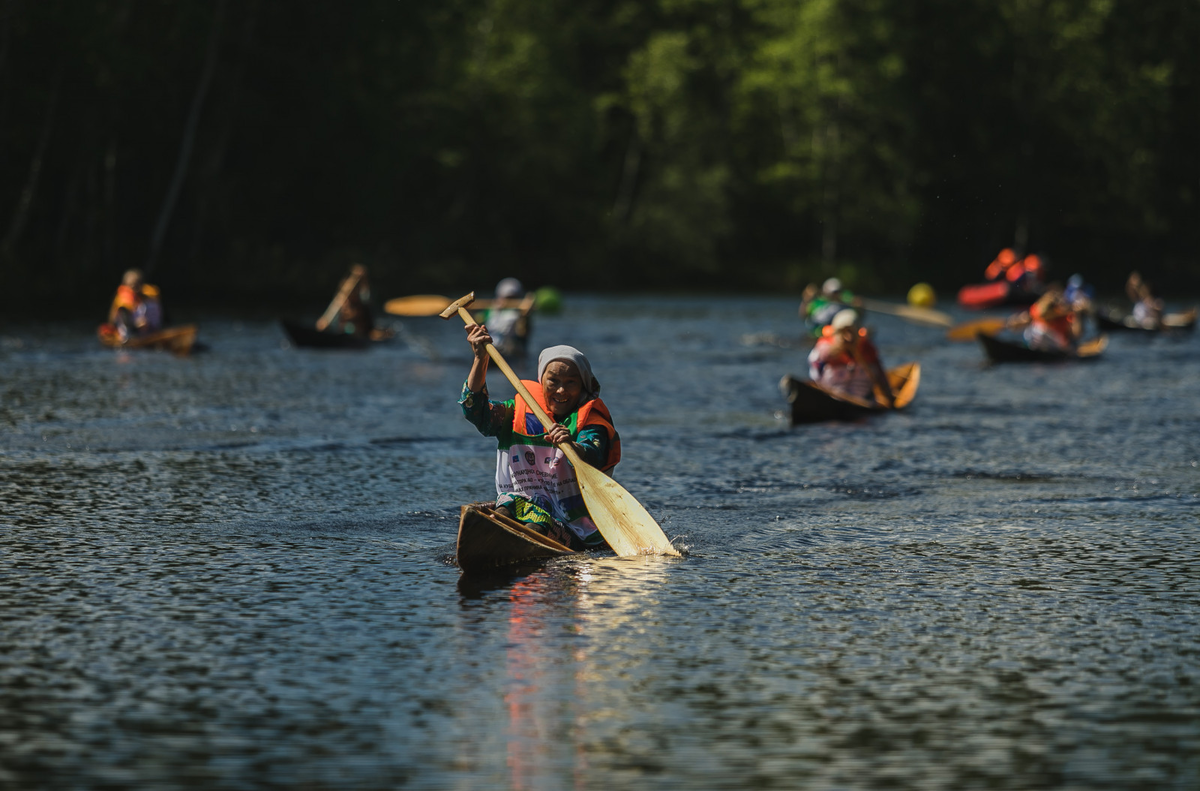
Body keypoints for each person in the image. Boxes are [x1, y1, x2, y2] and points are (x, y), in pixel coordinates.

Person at [459, 325, 618, 550]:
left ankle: (514, 544)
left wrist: (573, 446)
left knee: (536, 525)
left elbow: (595, 453)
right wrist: (480, 358)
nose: (561, 391)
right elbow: (476, 411)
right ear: (542, 381)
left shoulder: (591, 423)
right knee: (506, 510)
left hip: (571, 524)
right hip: (519, 504)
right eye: (553, 381)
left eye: (570, 382)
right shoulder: (515, 413)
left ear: (582, 385)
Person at [806, 309, 894, 406]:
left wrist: (856, 352)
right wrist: (836, 350)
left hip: (861, 400)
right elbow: (815, 373)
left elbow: (880, 377)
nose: (849, 337)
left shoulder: (867, 348)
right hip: (832, 396)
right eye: (844, 333)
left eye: (852, 332)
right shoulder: (824, 347)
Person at [319, 264, 384, 339]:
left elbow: (366, 296)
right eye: (344, 293)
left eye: (350, 293)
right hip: (342, 336)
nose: (346, 299)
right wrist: (323, 324)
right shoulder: (339, 304)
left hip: (360, 336)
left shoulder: (362, 304)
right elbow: (324, 323)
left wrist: (364, 279)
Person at [1010, 286, 1081, 351]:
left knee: (1039, 331)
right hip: (1037, 343)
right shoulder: (1037, 310)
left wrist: (1077, 315)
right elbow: (1014, 326)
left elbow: (1076, 335)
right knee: (1036, 329)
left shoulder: (1067, 315)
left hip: (1058, 346)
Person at [480, 277, 533, 357]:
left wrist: (525, 317)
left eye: (513, 298)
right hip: (491, 349)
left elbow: (522, 332)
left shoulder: (521, 314)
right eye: (507, 297)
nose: (510, 301)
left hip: (509, 352)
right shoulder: (490, 311)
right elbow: (477, 322)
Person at [107, 268, 163, 341]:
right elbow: (127, 323)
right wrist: (137, 325)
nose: (135, 288)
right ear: (126, 286)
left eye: (138, 284)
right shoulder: (123, 302)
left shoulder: (148, 298)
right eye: (132, 285)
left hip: (147, 332)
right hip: (129, 334)